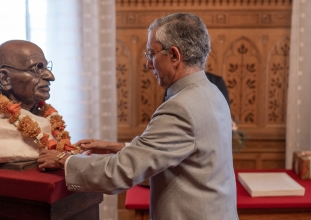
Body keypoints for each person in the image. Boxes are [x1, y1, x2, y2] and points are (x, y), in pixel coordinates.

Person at [38, 13, 238, 220]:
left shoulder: (181, 107)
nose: (148, 64)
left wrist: (66, 160)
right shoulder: (212, 92)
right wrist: (116, 147)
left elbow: (118, 172)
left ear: (175, 56)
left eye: (151, 53)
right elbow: (181, 148)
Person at [0, 40, 77, 164]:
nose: (50, 76)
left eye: (46, 67)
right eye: (37, 68)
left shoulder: (43, 116)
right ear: (4, 79)